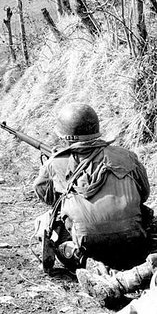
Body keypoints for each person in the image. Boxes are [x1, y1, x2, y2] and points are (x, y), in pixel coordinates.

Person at [32, 102, 151, 272]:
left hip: (89, 246)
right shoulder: (127, 156)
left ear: (64, 136)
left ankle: (78, 256)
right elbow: (144, 194)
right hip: (134, 242)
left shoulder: (55, 163)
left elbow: (47, 196)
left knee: (49, 221)